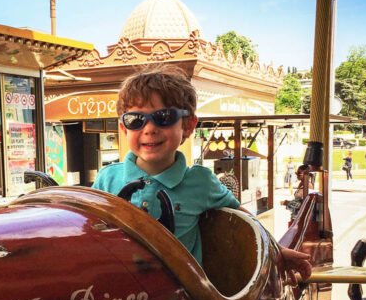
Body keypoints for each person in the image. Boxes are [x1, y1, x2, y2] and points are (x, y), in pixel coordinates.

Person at [92, 65, 311, 283]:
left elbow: (244, 219)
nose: (149, 129)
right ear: (123, 128)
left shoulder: (200, 181)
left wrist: (277, 250)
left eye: (164, 117)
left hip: (180, 299)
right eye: (135, 120)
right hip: (119, 296)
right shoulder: (107, 179)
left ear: (188, 125)